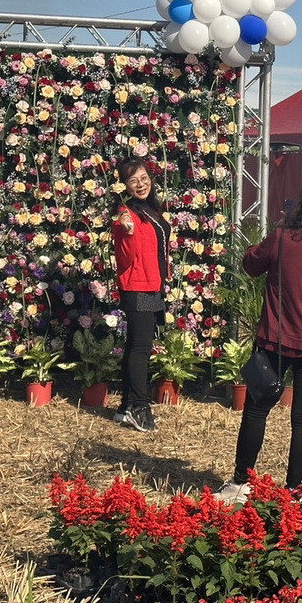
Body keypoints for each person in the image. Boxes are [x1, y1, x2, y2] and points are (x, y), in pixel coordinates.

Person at [215, 174, 302, 505]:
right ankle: (294, 491)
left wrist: (278, 230)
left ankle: (241, 483)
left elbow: (250, 264)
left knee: (255, 411)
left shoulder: (282, 239)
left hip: (273, 344)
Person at [111, 157, 170, 433]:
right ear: (124, 185)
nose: (141, 183)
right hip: (138, 287)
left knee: (136, 343)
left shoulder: (149, 209)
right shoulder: (126, 215)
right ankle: (139, 406)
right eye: (133, 180)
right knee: (141, 348)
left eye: (144, 177)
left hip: (153, 285)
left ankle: (126, 406)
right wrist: (128, 232)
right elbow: (126, 258)